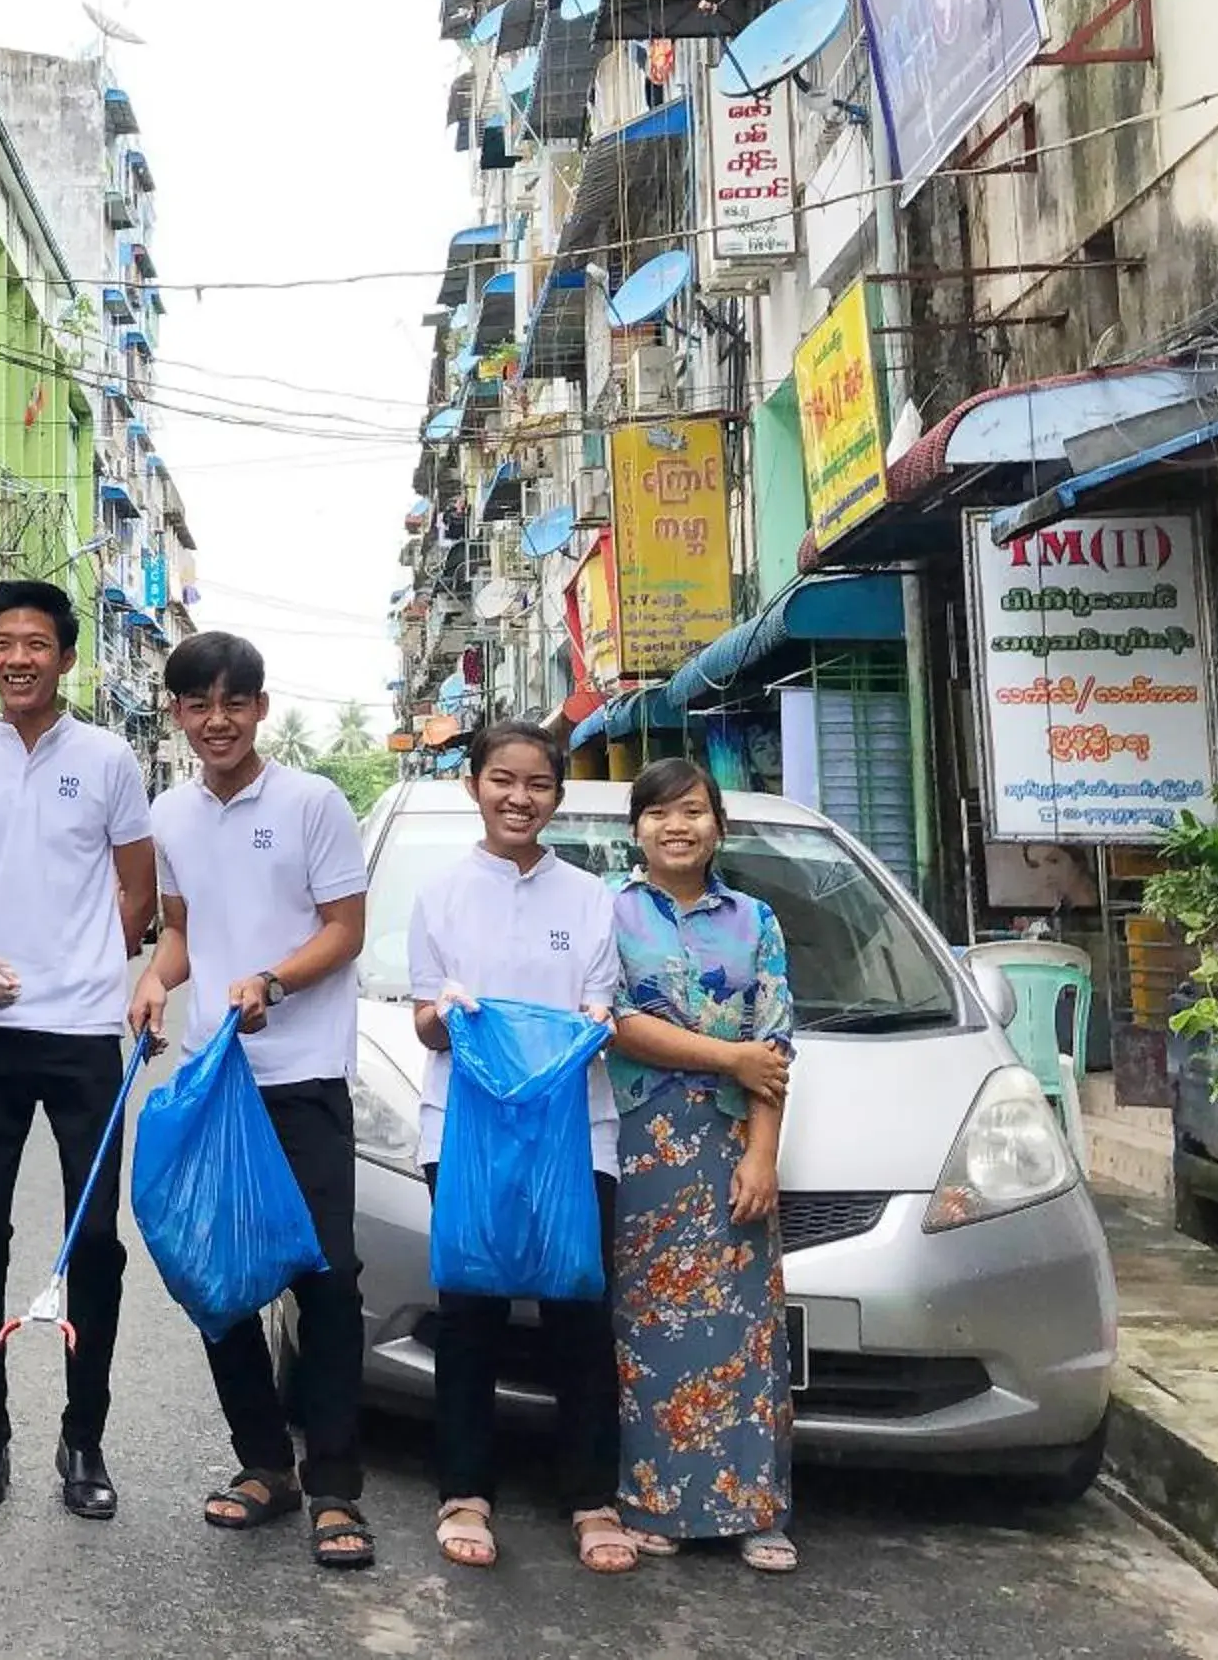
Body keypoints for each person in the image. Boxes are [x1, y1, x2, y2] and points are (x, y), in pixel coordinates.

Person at [128, 631, 375, 1569]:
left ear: (261, 709)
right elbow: (185, 929)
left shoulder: (313, 803)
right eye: (198, 706)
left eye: (234, 703)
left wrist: (271, 980)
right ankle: (264, 1467)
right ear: (179, 716)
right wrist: (158, 978)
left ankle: (337, 1486)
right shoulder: (172, 815)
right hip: (213, 1080)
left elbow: (344, 930)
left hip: (302, 1078)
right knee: (217, 1277)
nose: (217, 721)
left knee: (330, 1280)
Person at [0, 579, 157, 1521]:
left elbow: (138, 895)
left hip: (82, 1037)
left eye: (36, 643)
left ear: (66, 658)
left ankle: (84, 1437)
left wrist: (93, 970)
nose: (18, 657)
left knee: (94, 1240)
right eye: (4, 642)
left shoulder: (107, 758)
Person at [406, 716, 633, 1577]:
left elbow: (599, 1020)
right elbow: (426, 1026)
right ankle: (464, 1491)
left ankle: (591, 1497)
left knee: (580, 1313)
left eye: (537, 784)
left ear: (557, 798)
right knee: (470, 1314)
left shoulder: (590, 899)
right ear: (475, 785)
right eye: (503, 780)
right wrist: (447, 1013)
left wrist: (595, 1028)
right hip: (462, 1134)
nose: (519, 798)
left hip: (578, 1136)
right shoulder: (441, 895)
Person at [606, 757, 797, 1572]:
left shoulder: (756, 921)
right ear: (636, 828)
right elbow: (611, 1021)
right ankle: (652, 1501)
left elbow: (777, 1045)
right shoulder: (608, 915)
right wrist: (729, 1057)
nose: (676, 826)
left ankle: (758, 1511)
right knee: (649, 1327)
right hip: (641, 1141)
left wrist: (763, 1153)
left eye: (693, 811)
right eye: (659, 813)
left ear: (719, 825)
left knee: (746, 1332)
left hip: (730, 1149)